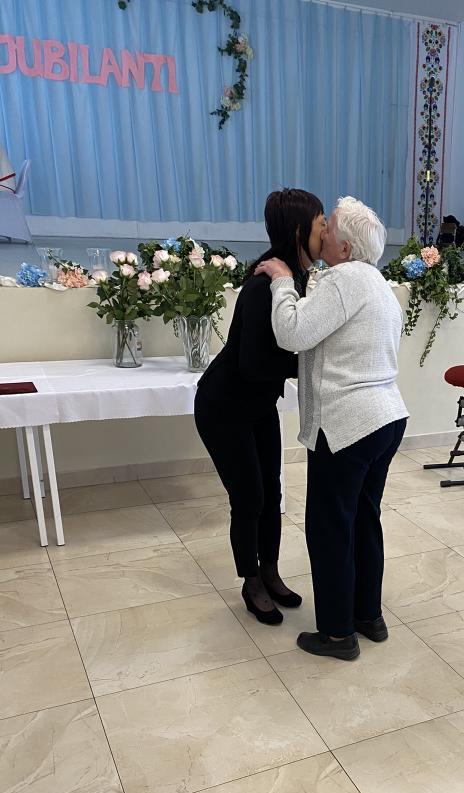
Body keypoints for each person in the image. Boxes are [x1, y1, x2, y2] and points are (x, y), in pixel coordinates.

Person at [256, 196, 408, 660]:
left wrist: (282, 281)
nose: (322, 232)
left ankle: (339, 635)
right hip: (386, 417)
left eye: (330, 227)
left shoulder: (345, 279)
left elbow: (293, 333)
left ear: (344, 247)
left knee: (329, 528)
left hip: (348, 425)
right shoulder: (377, 282)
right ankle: (368, 616)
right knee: (363, 519)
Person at [194, 188, 326, 625]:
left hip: (259, 404)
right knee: (249, 496)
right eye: (321, 224)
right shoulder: (261, 285)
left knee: (272, 492)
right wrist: (308, 361)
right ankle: (250, 581)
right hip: (224, 406)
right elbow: (253, 364)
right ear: (299, 231)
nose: (326, 231)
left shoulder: (298, 278)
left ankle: (270, 571)